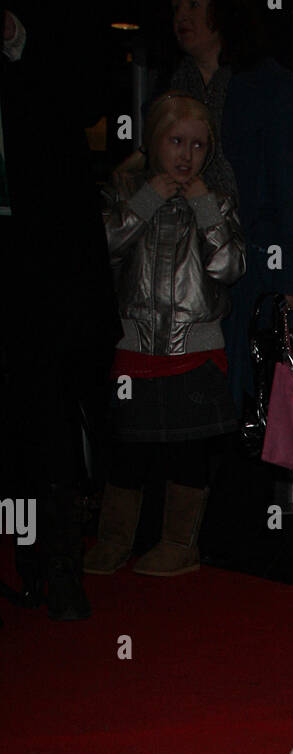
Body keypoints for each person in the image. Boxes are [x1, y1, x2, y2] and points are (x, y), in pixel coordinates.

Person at [84, 92, 245, 576]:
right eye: (176, 141)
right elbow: (103, 245)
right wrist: (148, 197)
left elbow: (232, 267)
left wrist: (206, 212)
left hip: (195, 347)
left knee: (188, 451)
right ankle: (114, 540)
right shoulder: (124, 190)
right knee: (127, 450)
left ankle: (179, 543)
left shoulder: (215, 199)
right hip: (134, 344)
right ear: (154, 141)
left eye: (198, 145)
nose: (186, 155)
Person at [0, 5, 120, 619]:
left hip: (43, 258)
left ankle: (55, 564)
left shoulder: (52, 20)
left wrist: (19, 39)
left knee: (45, 409)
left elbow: (93, 91)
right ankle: (31, 559)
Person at [170, 0, 293, 418]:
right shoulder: (172, 88)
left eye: (196, 3)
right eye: (178, 4)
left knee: (243, 405)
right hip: (179, 273)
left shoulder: (270, 86)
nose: (183, 14)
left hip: (249, 271)